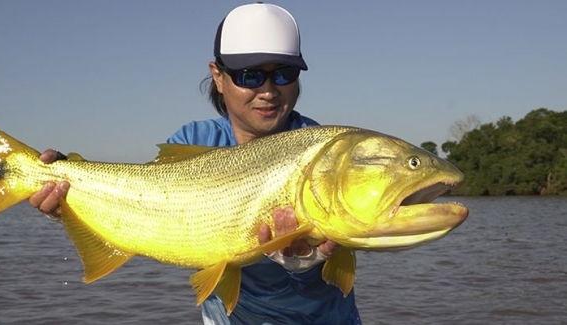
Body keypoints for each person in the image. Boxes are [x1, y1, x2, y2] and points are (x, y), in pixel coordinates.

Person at [30, 3, 362, 324]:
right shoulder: (193, 140)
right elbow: (142, 208)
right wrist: (71, 203)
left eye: (284, 74)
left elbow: (340, 273)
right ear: (218, 76)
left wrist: (311, 267)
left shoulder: (323, 152)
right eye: (249, 76)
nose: (268, 91)